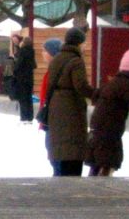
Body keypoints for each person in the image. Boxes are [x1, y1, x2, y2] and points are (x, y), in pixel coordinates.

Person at [45, 27, 95, 177]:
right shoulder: (76, 61)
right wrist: (98, 95)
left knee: (61, 147)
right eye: (84, 43)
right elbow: (81, 86)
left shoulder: (57, 59)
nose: (85, 46)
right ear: (78, 43)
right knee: (72, 149)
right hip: (71, 109)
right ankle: (70, 186)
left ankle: (60, 178)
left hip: (56, 107)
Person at [86, 50, 129, 176]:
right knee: (107, 163)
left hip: (98, 127)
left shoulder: (113, 82)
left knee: (97, 164)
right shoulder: (126, 84)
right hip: (109, 130)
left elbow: (96, 95)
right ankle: (100, 192)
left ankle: (90, 190)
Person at [37, 38, 62, 130]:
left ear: (52, 52)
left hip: (54, 116)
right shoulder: (52, 69)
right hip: (50, 115)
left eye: (45, 51)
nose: (42, 54)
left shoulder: (56, 71)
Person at [12, 34, 37, 123]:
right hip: (30, 78)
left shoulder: (22, 51)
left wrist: (14, 71)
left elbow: (19, 64)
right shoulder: (32, 51)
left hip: (22, 78)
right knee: (29, 98)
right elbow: (34, 65)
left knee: (22, 98)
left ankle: (24, 117)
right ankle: (30, 117)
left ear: (24, 43)